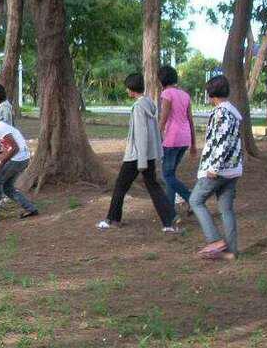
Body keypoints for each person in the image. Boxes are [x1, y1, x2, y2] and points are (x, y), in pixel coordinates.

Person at [97, 73, 178, 232]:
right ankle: (169, 219)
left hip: (137, 156)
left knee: (120, 186)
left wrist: (141, 161)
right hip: (148, 154)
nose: (127, 91)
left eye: (127, 88)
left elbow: (141, 134)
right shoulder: (149, 103)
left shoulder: (139, 107)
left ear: (132, 90)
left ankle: (112, 219)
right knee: (153, 186)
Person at [189, 75, 243, 260]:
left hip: (218, 169)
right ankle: (231, 252)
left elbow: (223, 142)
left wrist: (214, 167)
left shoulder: (221, 113)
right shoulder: (233, 112)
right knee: (226, 209)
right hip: (233, 169)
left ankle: (214, 241)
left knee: (195, 200)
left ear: (211, 94)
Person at [0, 105, 39, 222]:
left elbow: (14, 148)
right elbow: (7, 151)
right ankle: (30, 208)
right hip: (21, 159)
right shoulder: (0, 128)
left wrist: (1, 162)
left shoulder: (1, 129)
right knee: (7, 188)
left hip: (18, 160)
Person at [159, 65, 196, 210]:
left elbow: (163, 119)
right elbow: (191, 120)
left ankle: (191, 198)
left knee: (166, 176)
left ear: (162, 80)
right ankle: (170, 209)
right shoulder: (185, 95)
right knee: (171, 174)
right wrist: (193, 144)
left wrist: (155, 136)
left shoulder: (167, 94)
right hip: (185, 138)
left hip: (172, 139)